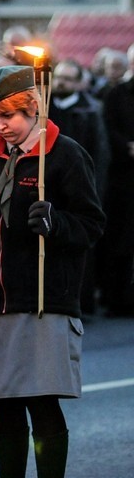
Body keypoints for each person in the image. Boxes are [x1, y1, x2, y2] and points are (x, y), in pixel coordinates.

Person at [0, 65, 105, 478]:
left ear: (33, 108)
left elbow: (92, 225)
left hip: (43, 300)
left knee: (41, 402)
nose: (1, 127)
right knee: (6, 404)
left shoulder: (66, 154)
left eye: (9, 117)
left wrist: (56, 222)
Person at [49, 58, 110, 316]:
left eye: (68, 78)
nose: (61, 82)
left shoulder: (90, 112)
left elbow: (100, 155)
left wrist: (92, 192)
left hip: (79, 191)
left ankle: (80, 302)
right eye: (58, 77)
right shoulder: (44, 108)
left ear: (78, 83)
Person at [100, 58, 134, 315]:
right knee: (121, 238)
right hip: (123, 177)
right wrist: (127, 147)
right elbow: (107, 129)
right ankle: (117, 298)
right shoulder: (116, 94)